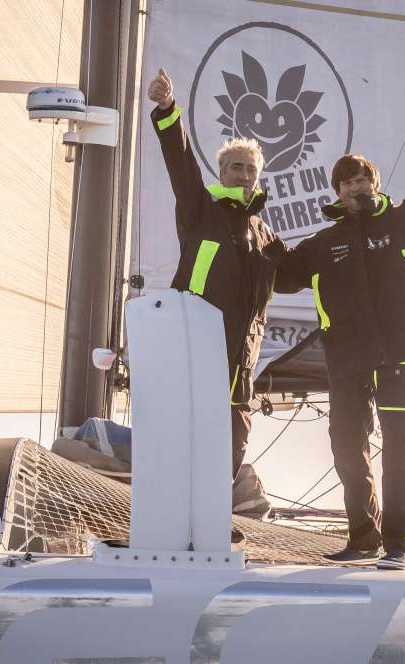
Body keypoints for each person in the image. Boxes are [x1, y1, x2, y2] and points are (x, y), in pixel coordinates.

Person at [275, 95, 405, 570]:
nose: (357, 186)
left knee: (399, 444)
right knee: (346, 444)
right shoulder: (322, 244)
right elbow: (280, 274)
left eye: (364, 179)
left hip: (398, 352)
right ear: (338, 192)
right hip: (346, 358)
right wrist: (251, 230)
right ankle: (361, 536)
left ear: (375, 184)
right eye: (348, 182)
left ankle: (400, 544)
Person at [147, 67, 287, 481]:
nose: (244, 175)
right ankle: (176, 528)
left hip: (239, 368)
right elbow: (180, 161)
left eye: (250, 170)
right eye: (236, 168)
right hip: (195, 349)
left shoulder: (265, 237)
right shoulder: (200, 209)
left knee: (230, 447)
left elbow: (305, 268)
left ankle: (212, 527)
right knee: (184, 441)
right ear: (222, 174)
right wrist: (168, 109)